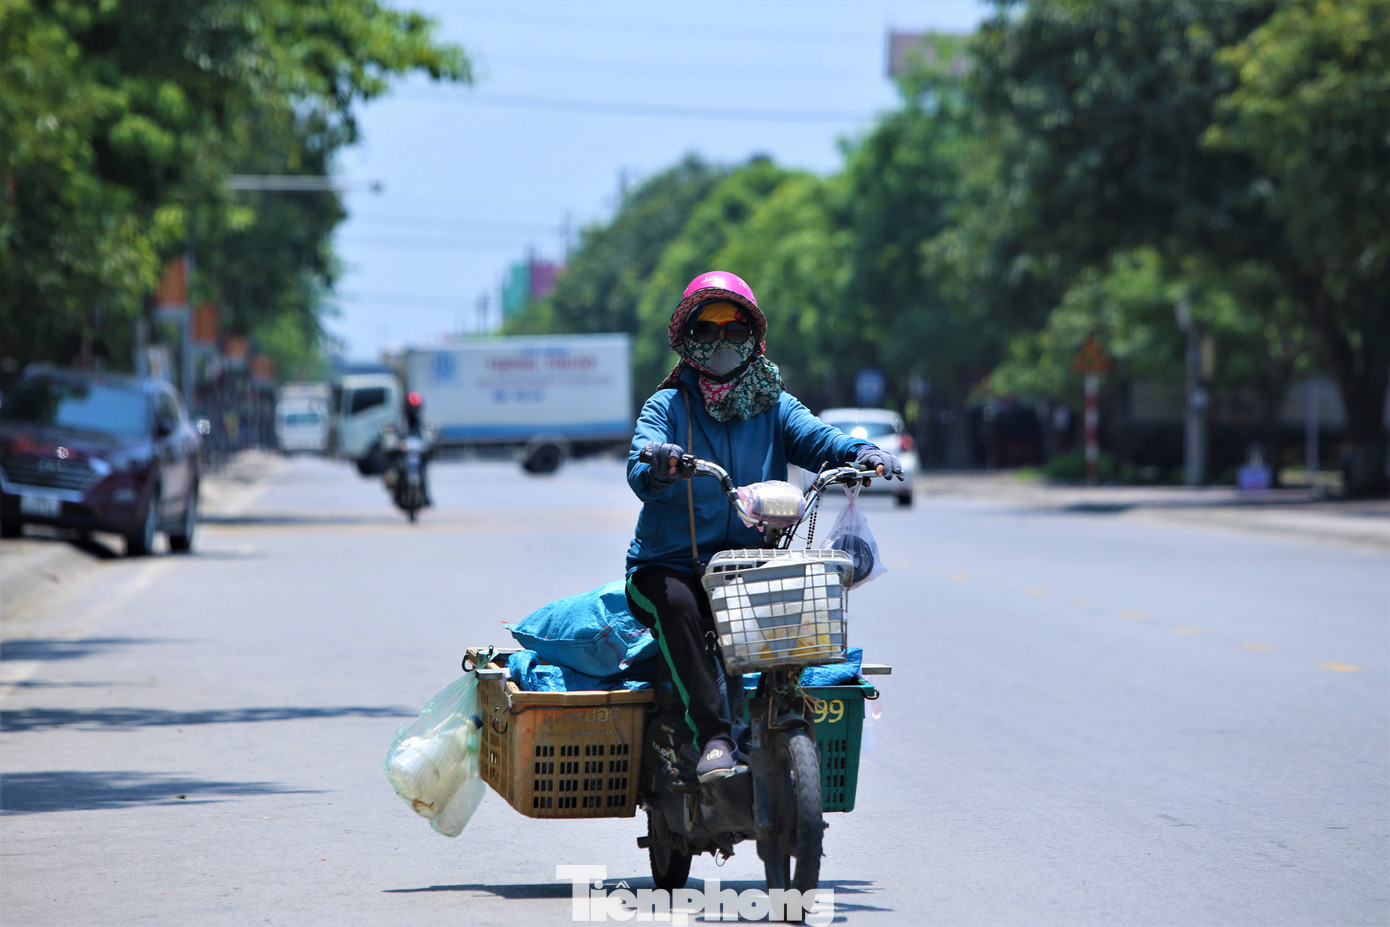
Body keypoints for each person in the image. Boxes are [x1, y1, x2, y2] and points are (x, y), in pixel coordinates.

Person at [624, 271, 902, 784]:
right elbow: (640, 463)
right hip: (669, 567)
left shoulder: (775, 405)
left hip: (750, 565)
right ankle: (714, 737)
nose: (722, 342)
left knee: (803, 606)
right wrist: (659, 463)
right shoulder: (667, 405)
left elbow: (820, 439)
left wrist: (862, 452)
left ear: (754, 338)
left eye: (735, 329)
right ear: (686, 338)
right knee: (680, 607)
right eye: (707, 330)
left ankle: (780, 715)